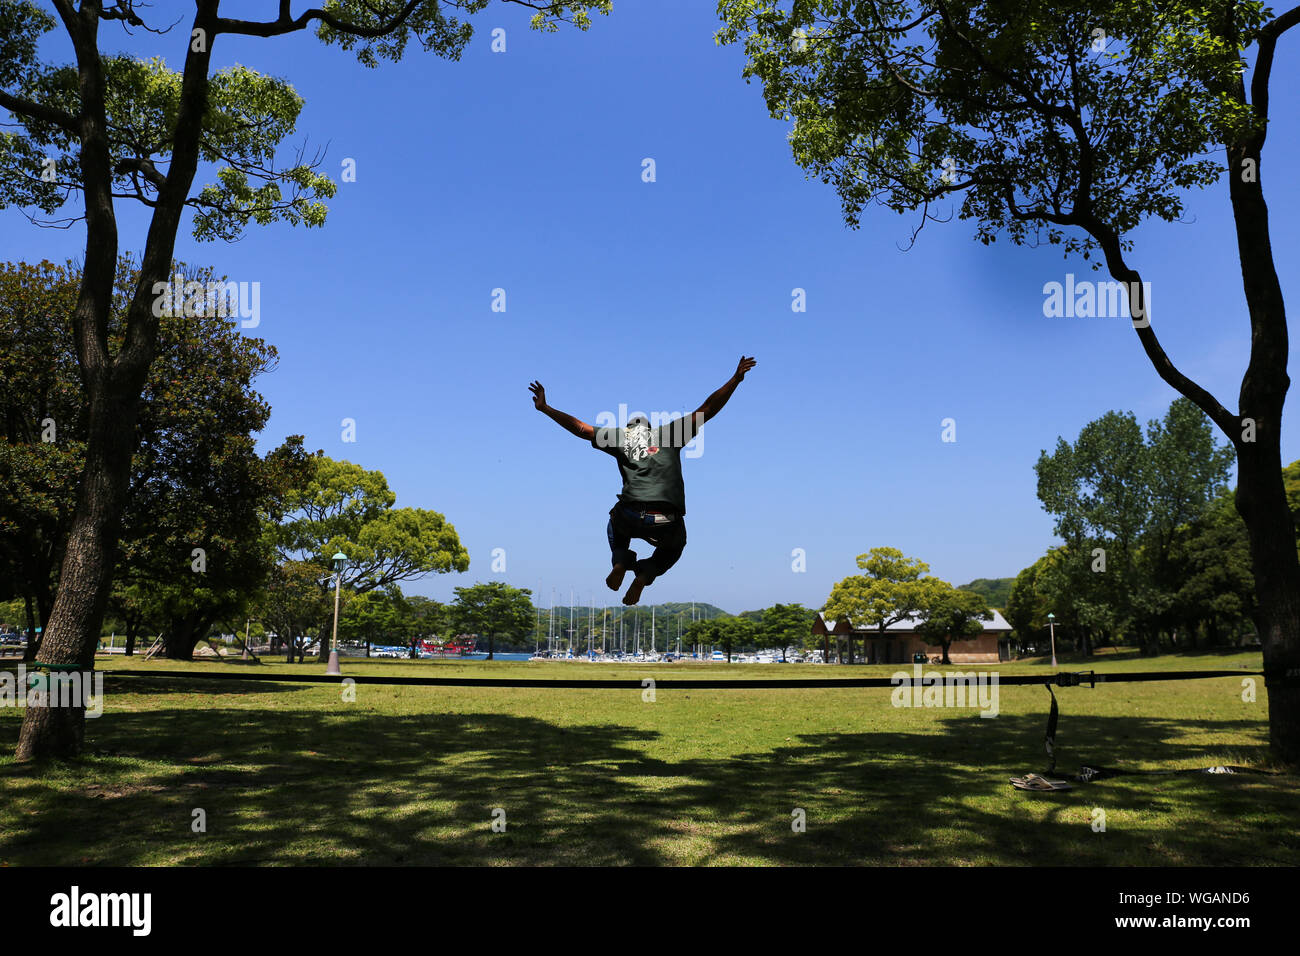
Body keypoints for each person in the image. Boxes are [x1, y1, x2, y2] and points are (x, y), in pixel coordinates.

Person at [530, 356, 757, 605]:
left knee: (615, 522)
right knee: (674, 547)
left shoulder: (619, 438)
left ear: (629, 430)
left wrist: (546, 408)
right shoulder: (670, 433)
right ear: (649, 429)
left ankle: (620, 562)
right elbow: (708, 409)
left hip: (630, 513)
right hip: (666, 519)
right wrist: (735, 379)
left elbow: (580, 428)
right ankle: (644, 576)